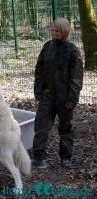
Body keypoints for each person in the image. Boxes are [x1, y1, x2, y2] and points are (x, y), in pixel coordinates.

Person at [31, 17, 83, 169]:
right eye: (52, 30)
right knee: (41, 125)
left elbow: (76, 78)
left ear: (65, 32)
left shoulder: (72, 50)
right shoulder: (47, 47)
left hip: (65, 97)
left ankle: (65, 157)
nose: (54, 33)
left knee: (66, 127)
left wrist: (72, 99)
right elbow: (39, 71)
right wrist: (38, 91)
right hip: (47, 96)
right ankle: (38, 157)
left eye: (57, 30)